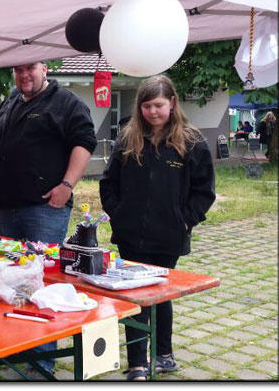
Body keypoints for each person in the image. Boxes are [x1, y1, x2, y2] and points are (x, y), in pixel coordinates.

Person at [0, 61, 97, 375]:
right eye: (17, 70)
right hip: (7, 207)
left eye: (29, 68)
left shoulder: (66, 102)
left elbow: (85, 144)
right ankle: (15, 349)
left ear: (44, 68)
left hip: (44, 209)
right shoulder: (8, 102)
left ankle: (40, 363)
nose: (23, 75)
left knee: (40, 282)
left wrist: (66, 185)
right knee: (10, 280)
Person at [99, 75, 216, 380]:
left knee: (161, 295)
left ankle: (163, 353)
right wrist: (119, 213)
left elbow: (205, 190)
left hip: (168, 236)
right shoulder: (127, 139)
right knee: (135, 296)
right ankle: (137, 361)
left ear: (172, 103)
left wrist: (186, 218)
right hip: (130, 236)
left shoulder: (191, 141)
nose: (152, 111)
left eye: (159, 105)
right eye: (146, 105)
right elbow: (108, 182)